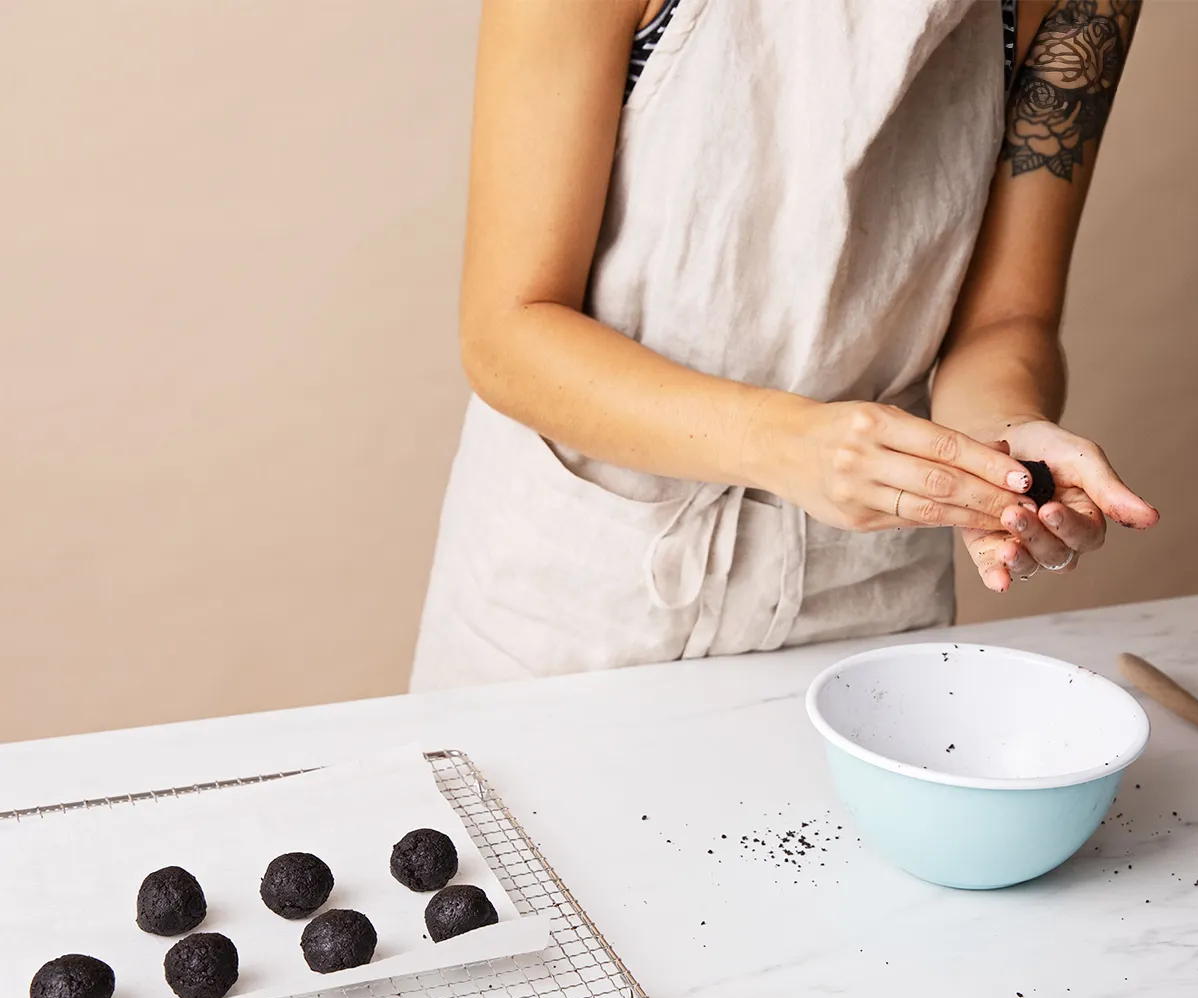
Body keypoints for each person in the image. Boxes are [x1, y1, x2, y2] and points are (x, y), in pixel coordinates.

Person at [410, 0, 1157, 692]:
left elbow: (1006, 317)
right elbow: (509, 327)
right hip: (571, 594)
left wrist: (997, 447)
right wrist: (789, 446)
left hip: (866, 600)